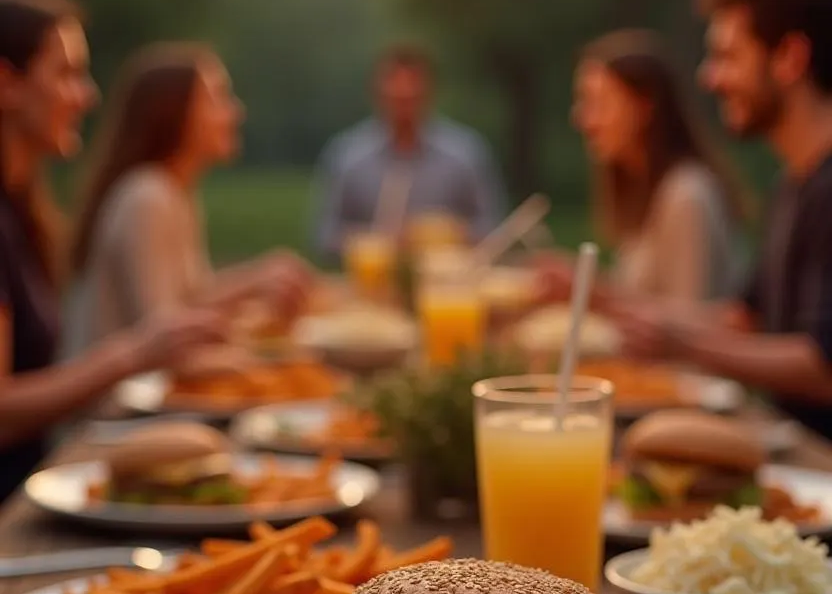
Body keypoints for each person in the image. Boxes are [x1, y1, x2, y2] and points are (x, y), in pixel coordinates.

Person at [0, 0, 223, 503]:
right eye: (67, 74)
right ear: (6, 84)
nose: (89, 95)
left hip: (47, 485)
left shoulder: (20, 209)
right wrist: (133, 352)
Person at [616, 0, 832, 439]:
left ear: (791, 58)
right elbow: (743, 320)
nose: (710, 78)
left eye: (728, 57)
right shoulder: (795, 183)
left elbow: (823, 366)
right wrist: (610, 306)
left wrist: (683, 346)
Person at [69, 42, 312, 351]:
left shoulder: (173, 192)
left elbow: (190, 296)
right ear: (174, 112)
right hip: (120, 398)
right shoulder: (147, 196)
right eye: (219, 97)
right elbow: (165, 331)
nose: (236, 112)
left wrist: (258, 280)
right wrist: (255, 284)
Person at [536, 30, 747, 308]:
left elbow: (689, 321)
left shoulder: (687, 196)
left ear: (645, 105)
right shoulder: (647, 187)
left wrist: (592, 291)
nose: (581, 118)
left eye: (599, 102)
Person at [314, 46, 505, 259]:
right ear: (376, 92)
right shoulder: (347, 155)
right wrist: (374, 241)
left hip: (449, 284)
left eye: (412, 94)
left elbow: (494, 230)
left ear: (430, 92)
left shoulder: (466, 152)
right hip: (370, 285)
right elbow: (324, 236)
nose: (404, 99)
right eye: (396, 95)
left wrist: (449, 234)